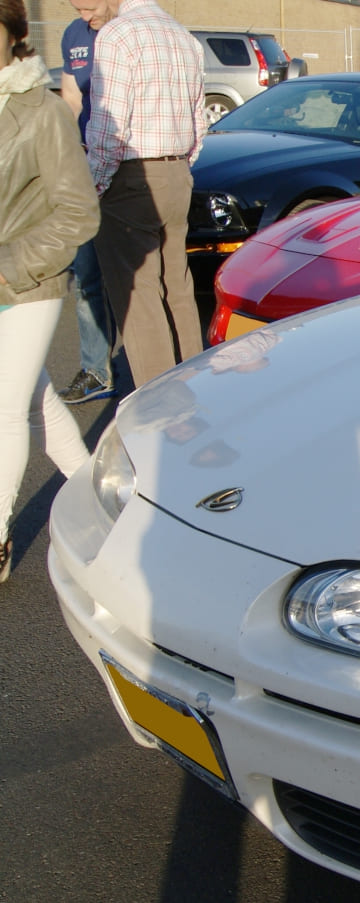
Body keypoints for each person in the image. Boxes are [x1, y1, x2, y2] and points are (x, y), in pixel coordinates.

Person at [0, 0, 98, 581]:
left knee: (4, 411)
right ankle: (98, 495)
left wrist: (7, 266)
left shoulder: (40, 113)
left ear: (16, 37)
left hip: (26, 283)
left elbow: (77, 213)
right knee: (36, 397)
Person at [87, 0, 206, 388]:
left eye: (85, 5)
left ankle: (162, 410)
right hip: (176, 172)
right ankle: (197, 390)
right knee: (178, 288)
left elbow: (108, 125)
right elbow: (198, 118)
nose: (84, 15)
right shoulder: (184, 37)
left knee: (140, 298)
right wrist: (182, 166)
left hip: (131, 175)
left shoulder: (117, 35)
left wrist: (95, 187)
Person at [57, 0, 118, 405]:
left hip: (126, 165)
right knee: (86, 276)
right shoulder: (74, 35)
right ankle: (97, 370)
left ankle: (167, 373)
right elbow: (70, 99)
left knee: (142, 280)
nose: (84, 15)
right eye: (76, 6)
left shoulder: (130, 30)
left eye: (90, 5)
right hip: (85, 170)